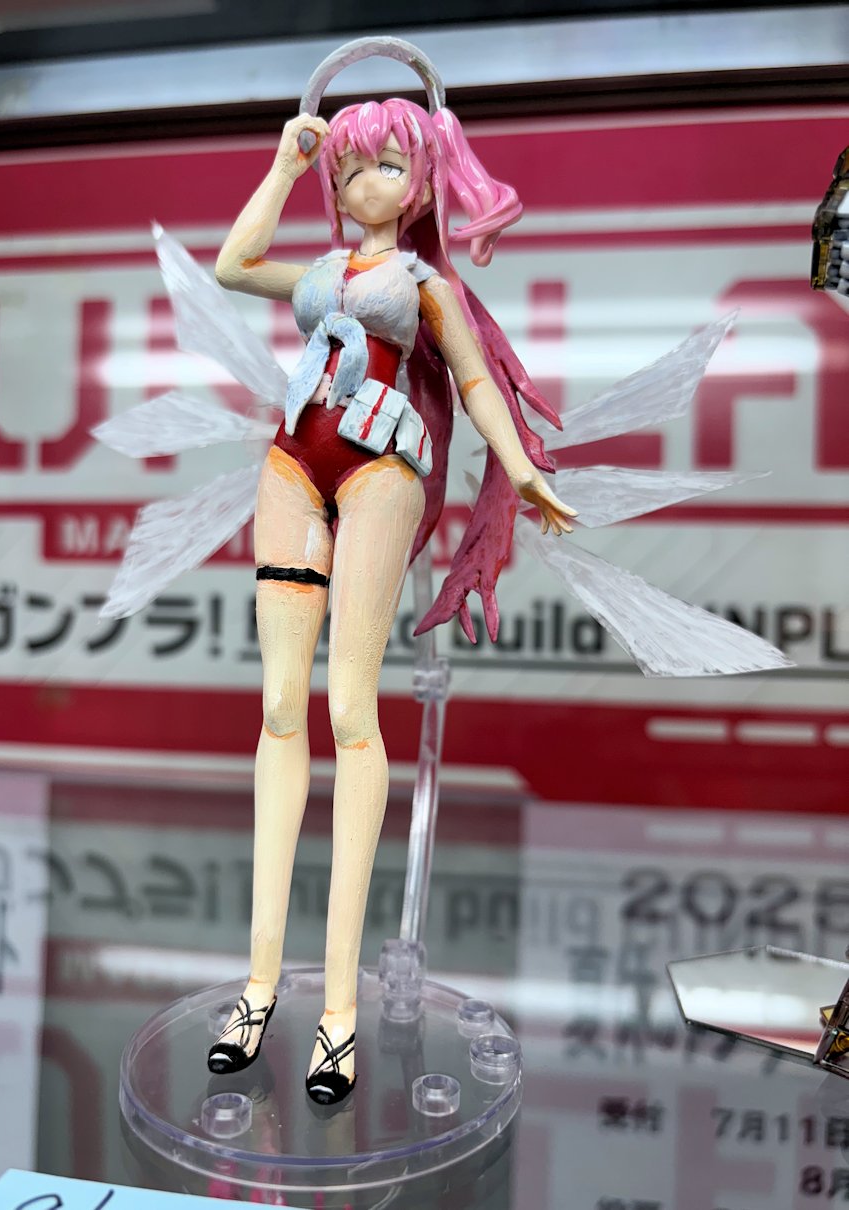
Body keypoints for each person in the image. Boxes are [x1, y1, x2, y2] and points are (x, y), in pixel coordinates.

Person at [205, 97, 576, 1105]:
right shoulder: (319, 271)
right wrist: (286, 166)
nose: (360, 184)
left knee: (350, 714)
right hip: (291, 468)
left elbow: (476, 383)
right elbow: (234, 264)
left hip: (378, 471)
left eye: (384, 166)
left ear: (420, 180)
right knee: (280, 708)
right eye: (348, 169)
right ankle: (258, 986)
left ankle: (338, 1012)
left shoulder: (424, 285)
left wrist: (518, 469)